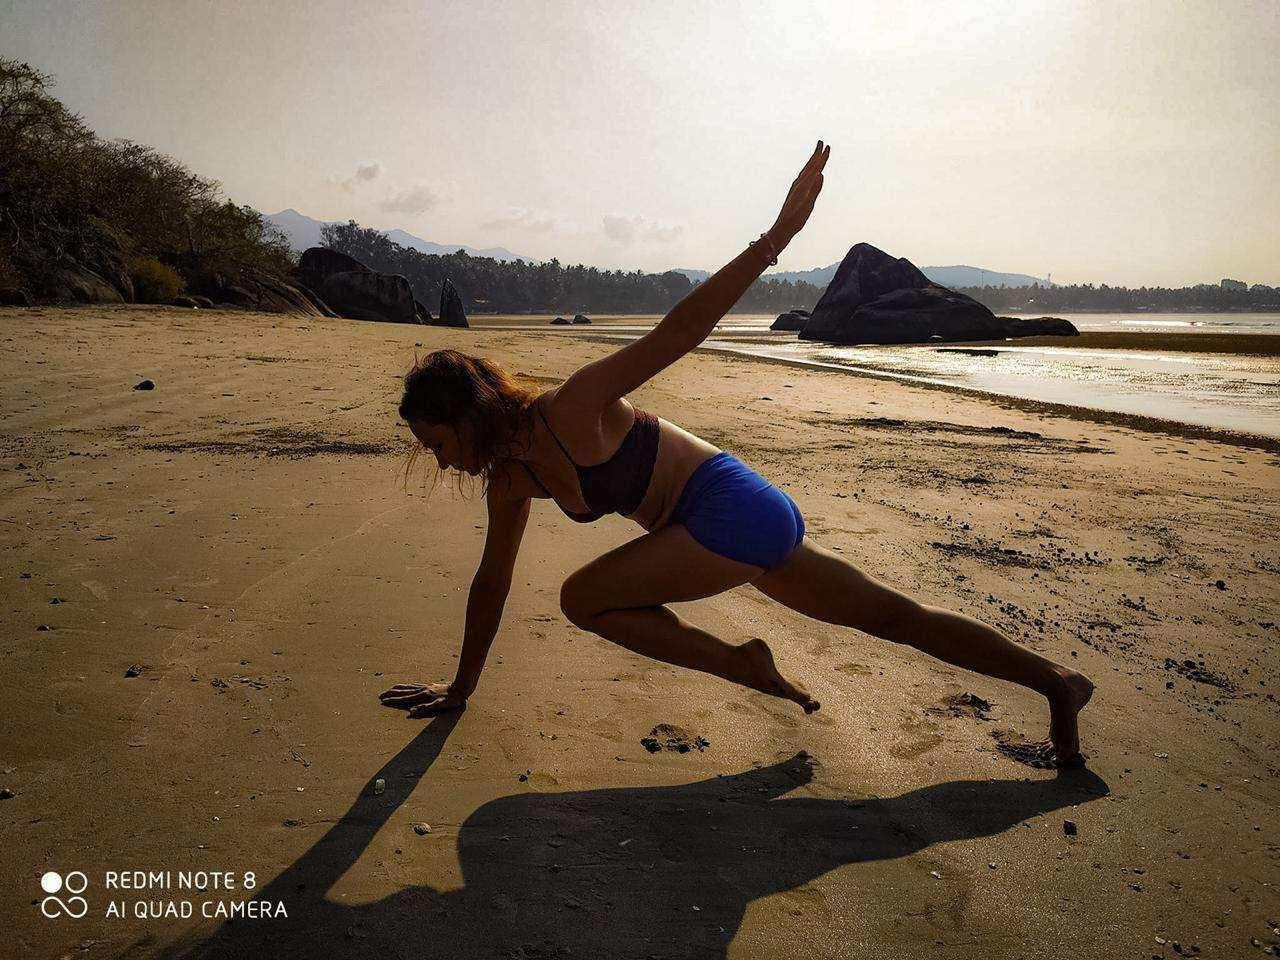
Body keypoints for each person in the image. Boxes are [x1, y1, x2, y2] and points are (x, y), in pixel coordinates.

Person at [380, 142, 1094, 767]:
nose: (442, 462)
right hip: (727, 519)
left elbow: (678, 332)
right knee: (895, 618)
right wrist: (461, 687)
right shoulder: (508, 480)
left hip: (727, 511)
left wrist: (775, 237)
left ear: (468, 416)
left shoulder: (569, 407)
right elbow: (490, 583)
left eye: (439, 444)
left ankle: (740, 661)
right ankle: (1055, 686)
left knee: (581, 598)